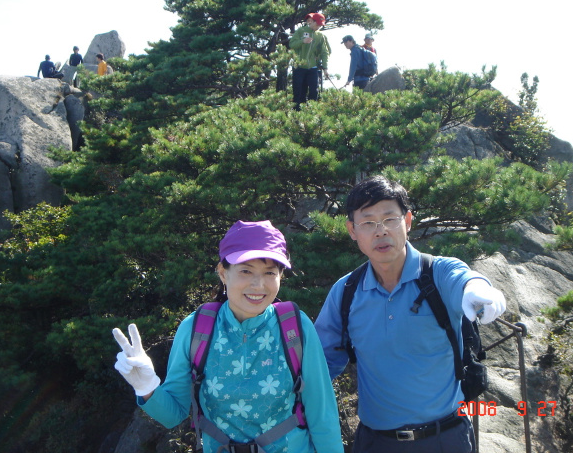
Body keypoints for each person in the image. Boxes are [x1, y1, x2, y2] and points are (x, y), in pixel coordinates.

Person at [113, 220, 343, 453]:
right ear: (223, 273)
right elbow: (173, 415)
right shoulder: (196, 329)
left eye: (269, 273)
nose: (258, 285)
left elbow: (322, 414)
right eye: (246, 271)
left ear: (280, 276)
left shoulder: (294, 326)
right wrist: (147, 387)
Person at [314, 176, 507, 453]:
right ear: (352, 230)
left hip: (445, 439)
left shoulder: (437, 273)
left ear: (407, 221)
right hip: (375, 442)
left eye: (390, 219)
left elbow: (463, 277)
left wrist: (478, 289)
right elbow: (321, 364)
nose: (380, 231)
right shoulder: (346, 291)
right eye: (368, 223)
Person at [289, 12, 331, 109]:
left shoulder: (320, 36)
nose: (319, 27)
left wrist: (325, 68)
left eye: (320, 25)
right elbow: (292, 44)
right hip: (299, 66)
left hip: (312, 67)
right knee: (299, 92)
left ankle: (312, 111)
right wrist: (302, 41)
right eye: (318, 24)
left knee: (314, 91)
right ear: (311, 21)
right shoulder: (301, 31)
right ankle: (297, 112)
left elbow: (325, 52)